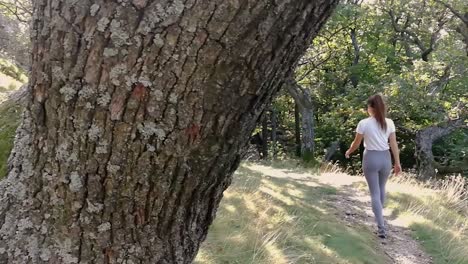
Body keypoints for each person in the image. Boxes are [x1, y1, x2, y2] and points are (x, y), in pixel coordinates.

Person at [345, 94, 401, 239]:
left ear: (370, 108)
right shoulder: (389, 122)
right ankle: (380, 217)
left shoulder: (364, 123)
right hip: (386, 158)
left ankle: (381, 227)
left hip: (371, 157)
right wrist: (397, 163)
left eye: (368, 107)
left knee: (374, 193)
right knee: (381, 189)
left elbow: (356, 143)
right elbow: (393, 144)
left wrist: (349, 151)